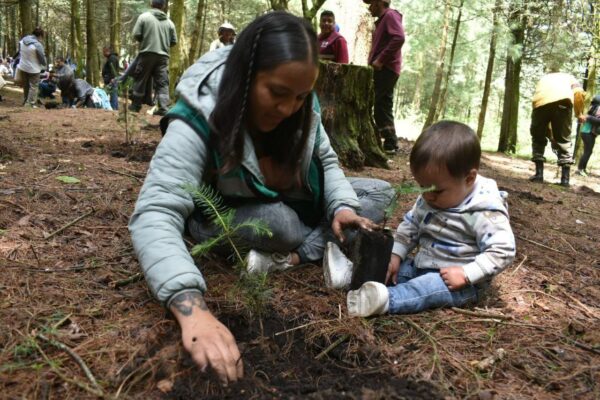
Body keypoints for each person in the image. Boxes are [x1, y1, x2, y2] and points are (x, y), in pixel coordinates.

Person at [129, 11, 393, 384]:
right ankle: (253, 238)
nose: (289, 109)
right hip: (234, 210)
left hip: (296, 196)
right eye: (278, 93)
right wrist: (191, 310)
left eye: (301, 96)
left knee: (378, 193)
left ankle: (303, 247)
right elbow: (155, 212)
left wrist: (342, 206)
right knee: (279, 224)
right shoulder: (200, 111)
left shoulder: (304, 105)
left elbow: (327, 161)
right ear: (246, 75)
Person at [347, 121, 516, 317]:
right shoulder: (433, 194)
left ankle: (385, 300)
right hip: (420, 266)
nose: (427, 196)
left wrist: (467, 274)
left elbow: (503, 250)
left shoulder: (482, 210)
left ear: (469, 179)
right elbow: (411, 226)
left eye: (436, 191)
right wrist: (395, 255)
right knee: (387, 268)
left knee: (423, 288)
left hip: (457, 283)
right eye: (422, 187)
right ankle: (353, 277)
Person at [529, 70, 586, 187]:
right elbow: (579, 92)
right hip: (563, 103)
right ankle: (565, 180)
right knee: (564, 140)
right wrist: (579, 113)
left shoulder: (543, 79)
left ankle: (538, 175)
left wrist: (548, 132)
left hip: (540, 104)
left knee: (538, 137)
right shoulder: (569, 77)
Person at [363, 0, 405, 154]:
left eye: (371, 4)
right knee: (383, 104)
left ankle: (388, 142)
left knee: (375, 102)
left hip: (386, 68)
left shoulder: (390, 15)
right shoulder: (382, 20)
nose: (369, 8)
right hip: (385, 68)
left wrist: (381, 60)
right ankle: (390, 143)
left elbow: (399, 38)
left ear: (379, 3)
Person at [129, 0, 177, 115]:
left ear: (151, 4)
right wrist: (163, 44)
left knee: (140, 79)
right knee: (162, 83)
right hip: (163, 57)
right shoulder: (170, 22)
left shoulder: (144, 17)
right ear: (163, 6)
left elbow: (136, 34)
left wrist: (146, 40)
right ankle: (164, 108)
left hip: (147, 53)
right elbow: (174, 41)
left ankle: (135, 106)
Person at [16, 27, 47, 107]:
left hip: (23, 66)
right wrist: (44, 65)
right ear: (40, 36)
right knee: (33, 86)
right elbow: (42, 59)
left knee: (26, 85)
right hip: (34, 69)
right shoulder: (37, 45)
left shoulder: (23, 40)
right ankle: (30, 104)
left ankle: (26, 101)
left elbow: (20, 52)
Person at [576, 95, 600, 176]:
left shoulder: (593, 107)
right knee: (587, 151)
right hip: (587, 132)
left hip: (589, 133)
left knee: (589, 151)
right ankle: (580, 170)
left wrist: (588, 117)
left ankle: (583, 169)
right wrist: (589, 117)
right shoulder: (598, 108)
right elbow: (597, 121)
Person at [102, 47, 120, 111]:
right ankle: (115, 107)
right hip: (111, 78)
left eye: (104, 52)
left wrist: (112, 78)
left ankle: (113, 107)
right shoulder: (111, 58)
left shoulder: (112, 58)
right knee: (113, 93)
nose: (103, 53)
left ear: (107, 51)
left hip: (112, 79)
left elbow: (113, 69)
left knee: (113, 93)